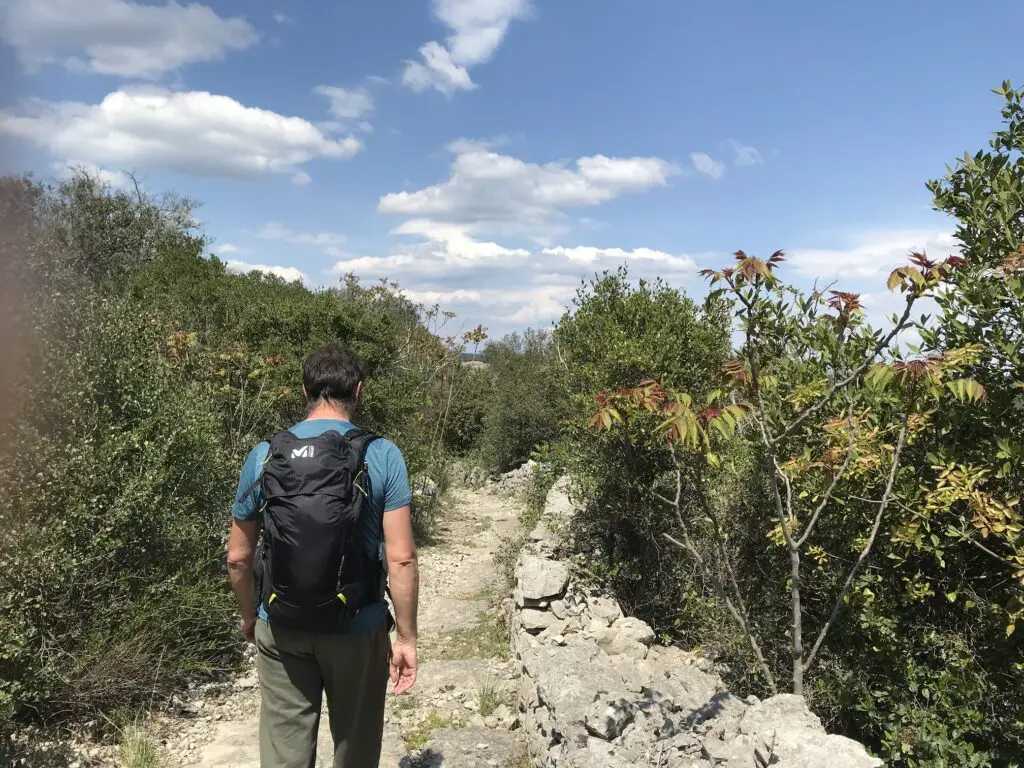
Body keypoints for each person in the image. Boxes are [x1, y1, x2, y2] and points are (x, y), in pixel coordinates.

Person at [226, 343, 419, 768]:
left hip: (281, 624)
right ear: (359, 391)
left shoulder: (266, 454)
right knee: (355, 747)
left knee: (284, 750)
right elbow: (402, 558)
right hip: (358, 626)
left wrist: (248, 616)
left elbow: (238, 557)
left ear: (304, 390)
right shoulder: (382, 454)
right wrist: (406, 637)